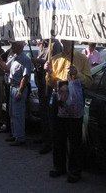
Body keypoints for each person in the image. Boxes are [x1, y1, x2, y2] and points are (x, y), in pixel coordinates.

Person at [44, 39, 92, 183]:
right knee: (58, 137)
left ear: (72, 41)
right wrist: (49, 73)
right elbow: (51, 83)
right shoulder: (54, 59)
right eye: (63, 40)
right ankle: (59, 167)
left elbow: (89, 82)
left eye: (68, 40)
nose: (65, 43)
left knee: (74, 139)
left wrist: (77, 74)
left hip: (74, 104)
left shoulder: (82, 58)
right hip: (58, 102)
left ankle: (75, 171)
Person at [0, 41, 32, 146]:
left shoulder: (25, 59)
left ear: (19, 46)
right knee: (12, 113)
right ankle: (15, 135)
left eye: (13, 45)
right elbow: (5, 67)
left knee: (18, 113)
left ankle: (20, 138)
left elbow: (25, 77)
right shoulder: (15, 57)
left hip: (18, 87)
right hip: (12, 87)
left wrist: (20, 91)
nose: (12, 47)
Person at [31, 38, 62, 154]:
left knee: (48, 114)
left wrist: (38, 61)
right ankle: (44, 137)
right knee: (43, 112)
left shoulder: (55, 44)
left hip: (50, 83)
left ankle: (50, 142)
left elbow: (55, 63)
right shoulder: (42, 45)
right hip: (41, 81)